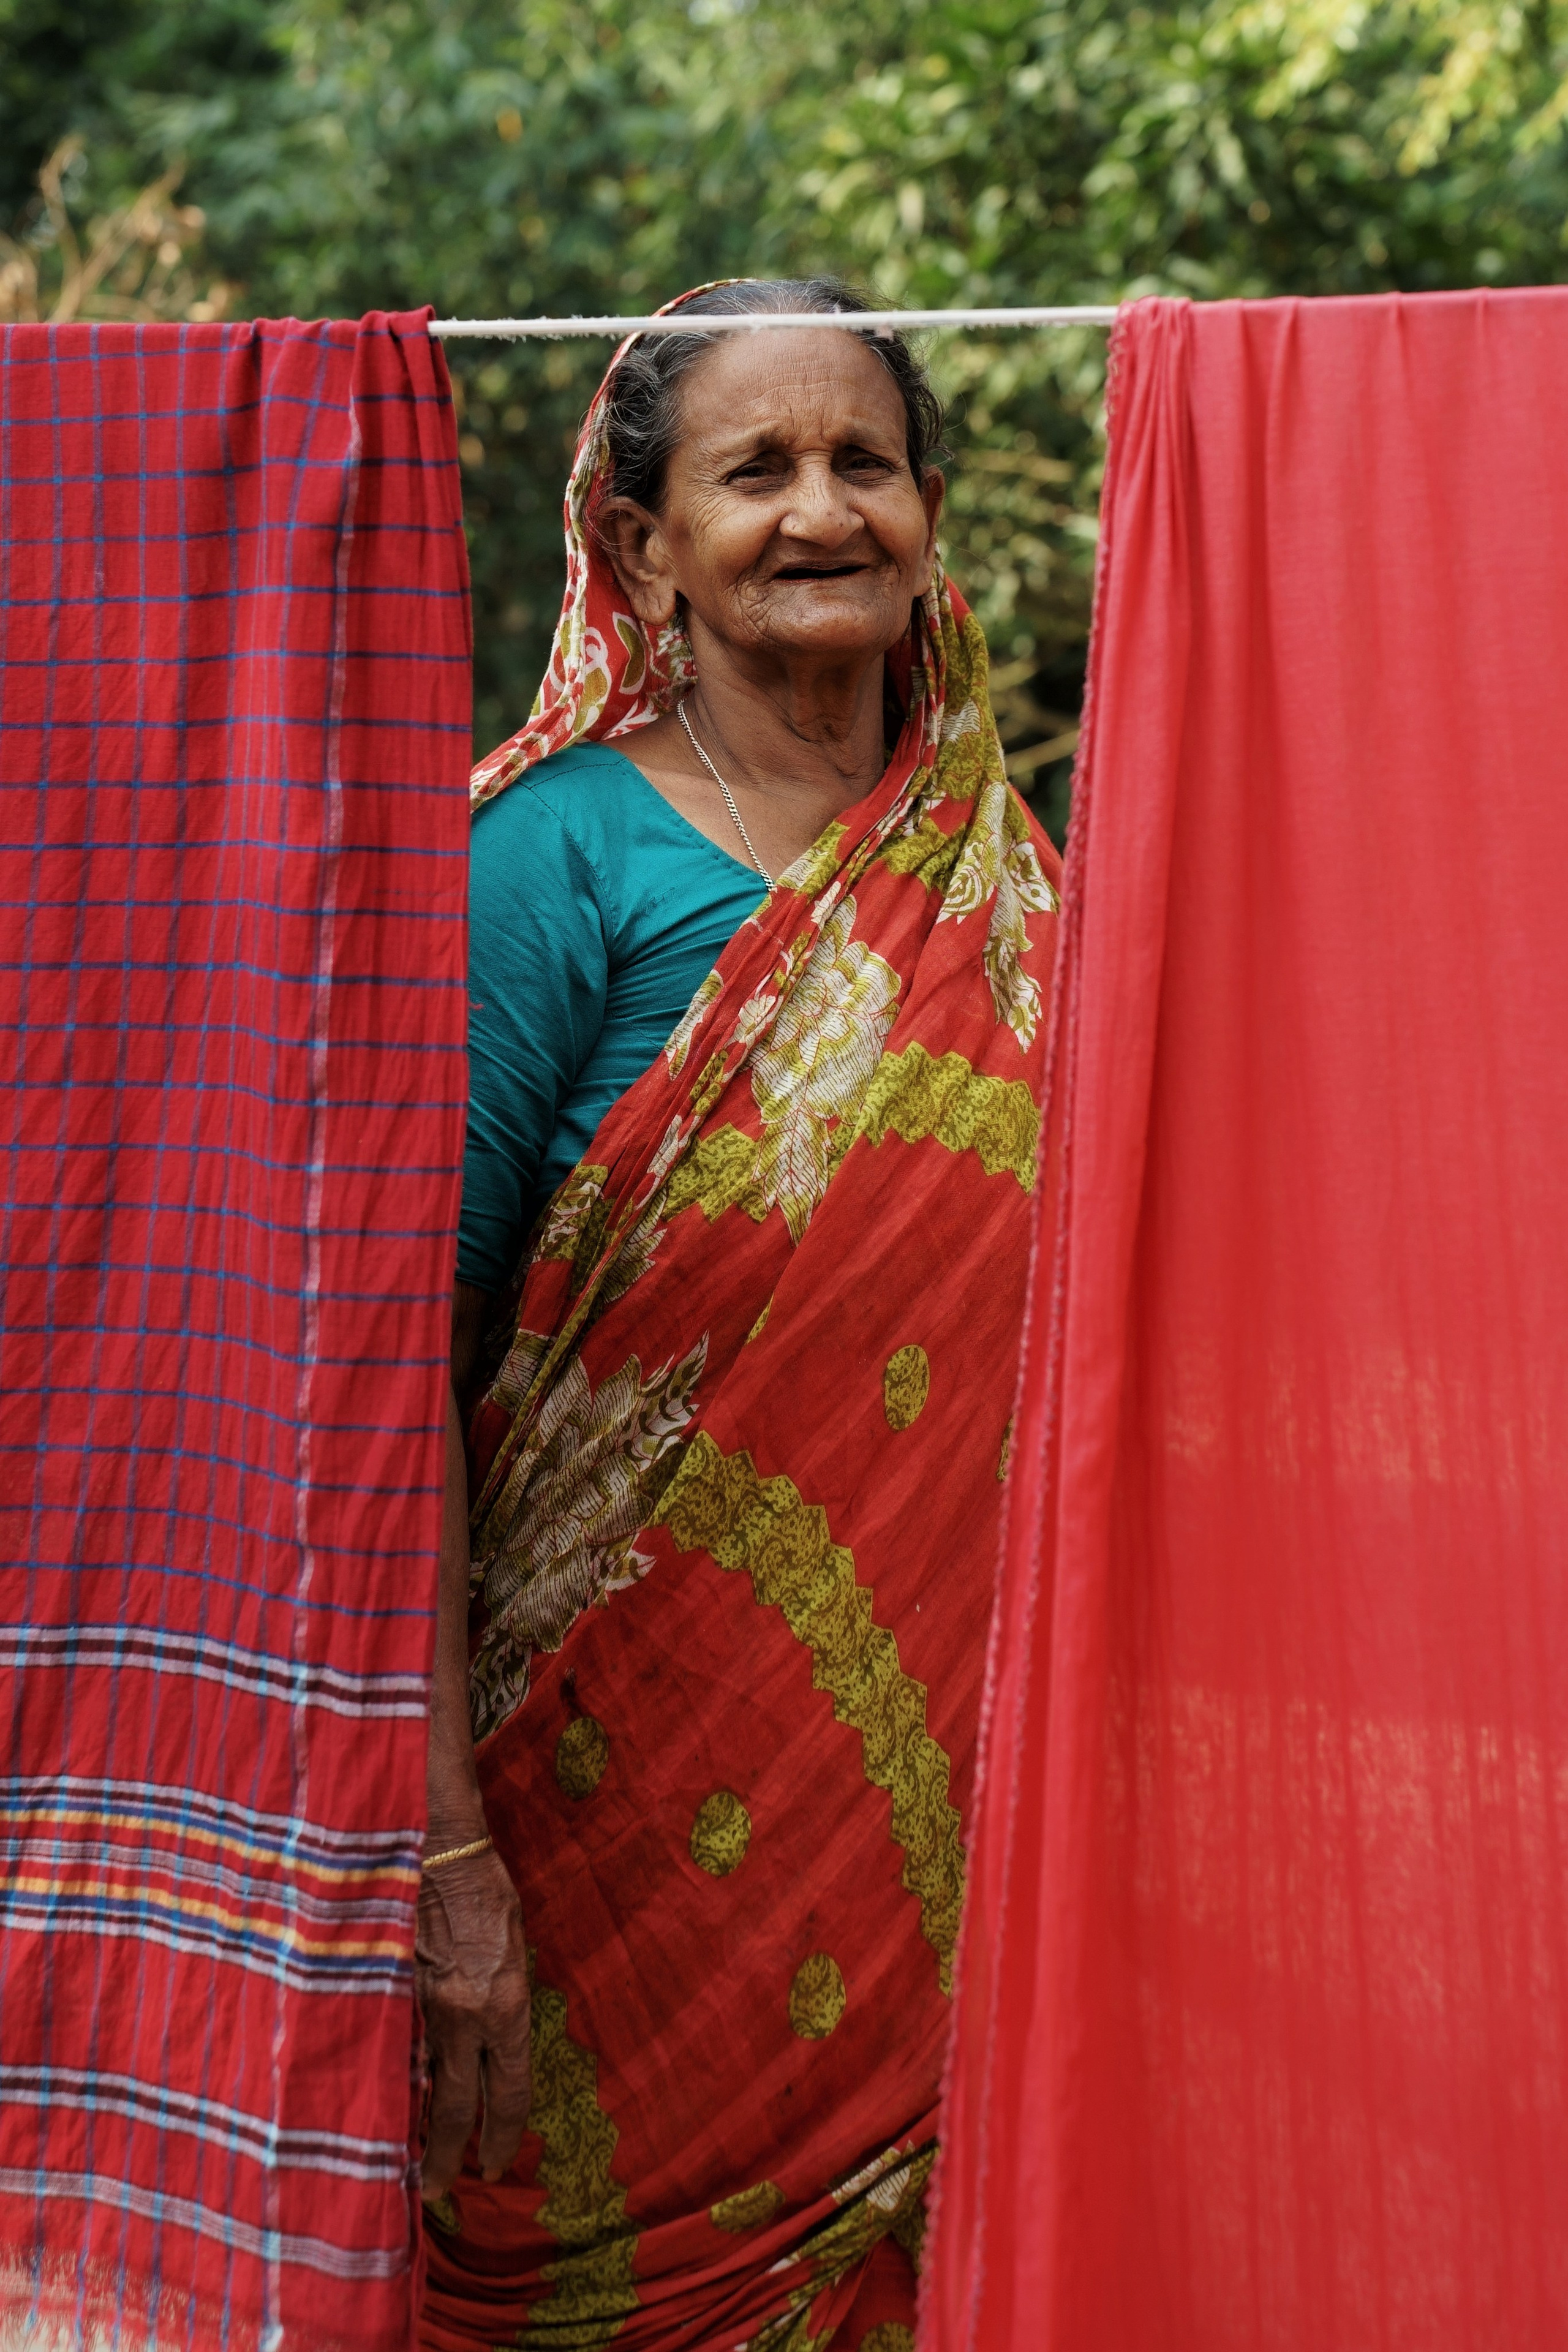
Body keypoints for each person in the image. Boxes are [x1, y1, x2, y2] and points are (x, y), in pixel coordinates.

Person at [415, 276, 1061, 2351]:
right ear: (638, 543)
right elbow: (387, 1406)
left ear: (931, 507)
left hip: (969, 1868)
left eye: (863, 461)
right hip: (585, 1861)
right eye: (752, 469)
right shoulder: (551, 865)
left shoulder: (1016, 893)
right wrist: (445, 1872)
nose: (818, 511)